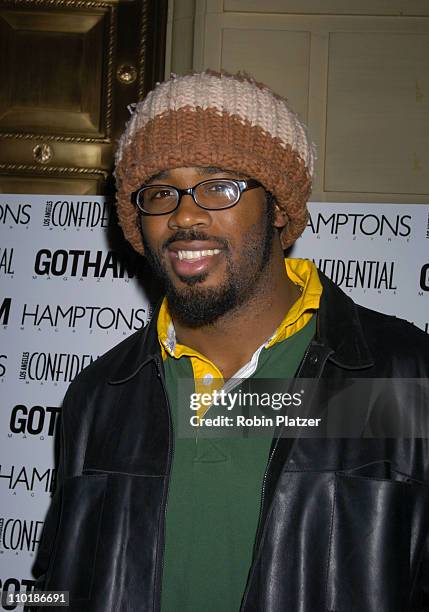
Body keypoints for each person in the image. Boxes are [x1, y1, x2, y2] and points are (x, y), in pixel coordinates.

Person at [33, 70, 429, 612]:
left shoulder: (400, 376)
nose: (184, 215)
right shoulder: (100, 397)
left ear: (280, 208)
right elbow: (62, 586)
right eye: (159, 191)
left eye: (220, 185)